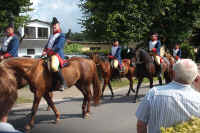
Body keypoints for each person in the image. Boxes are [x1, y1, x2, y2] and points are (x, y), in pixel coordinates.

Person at [136, 59, 200, 133]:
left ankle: (158, 73)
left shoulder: (154, 93)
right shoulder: (198, 98)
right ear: (195, 77)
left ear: (172, 73)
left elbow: (140, 125)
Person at [42, 17, 67, 91]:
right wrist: (44, 50)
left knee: (54, 67)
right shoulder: (51, 36)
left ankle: (63, 82)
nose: (54, 26)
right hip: (49, 54)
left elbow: (58, 46)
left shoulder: (61, 35)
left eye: (55, 25)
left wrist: (48, 52)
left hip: (56, 54)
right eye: (53, 25)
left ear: (59, 25)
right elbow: (47, 45)